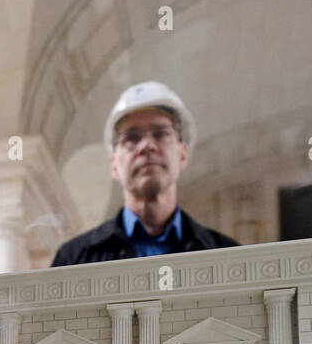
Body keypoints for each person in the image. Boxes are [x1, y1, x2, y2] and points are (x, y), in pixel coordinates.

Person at [51, 81, 239, 266]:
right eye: (132, 138)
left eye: (160, 133)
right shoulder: (73, 260)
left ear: (182, 154)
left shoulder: (229, 257)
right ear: (115, 164)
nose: (147, 146)